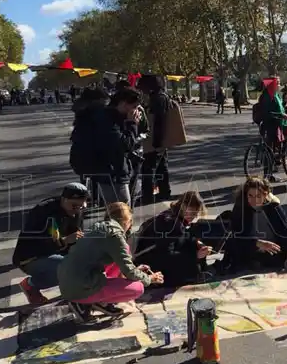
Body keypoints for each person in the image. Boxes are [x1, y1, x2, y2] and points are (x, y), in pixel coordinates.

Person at [58, 202, 164, 322]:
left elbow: (121, 264)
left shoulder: (97, 228)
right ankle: (86, 302)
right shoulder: (115, 235)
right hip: (79, 287)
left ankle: (96, 301)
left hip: (69, 281)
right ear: (126, 221)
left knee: (123, 254)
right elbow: (129, 271)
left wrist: (136, 270)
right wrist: (149, 278)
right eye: (130, 222)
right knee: (138, 288)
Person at [12, 183, 88, 305]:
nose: (78, 209)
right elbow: (38, 243)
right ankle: (31, 285)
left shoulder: (76, 211)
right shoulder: (45, 212)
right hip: (31, 257)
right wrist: (65, 241)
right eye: (74, 205)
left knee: (83, 262)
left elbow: (76, 235)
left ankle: (74, 291)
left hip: (56, 251)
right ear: (64, 199)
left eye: (82, 205)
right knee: (67, 267)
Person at [224, 177, 287, 272]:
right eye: (250, 196)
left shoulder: (273, 206)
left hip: (273, 244)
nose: (254, 200)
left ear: (265, 195)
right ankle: (261, 260)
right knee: (234, 246)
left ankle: (268, 260)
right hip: (253, 245)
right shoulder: (240, 207)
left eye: (258, 196)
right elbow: (237, 234)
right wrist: (258, 243)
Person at [135, 191, 213, 287]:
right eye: (193, 213)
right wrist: (195, 255)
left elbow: (181, 238)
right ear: (184, 207)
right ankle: (190, 276)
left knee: (193, 245)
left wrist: (197, 242)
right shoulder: (172, 223)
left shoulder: (173, 214)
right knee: (191, 257)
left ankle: (197, 272)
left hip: (149, 257)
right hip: (149, 263)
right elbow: (166, 255)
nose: (195, 216)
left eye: (196, 213)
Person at [87, 88, 142, 206]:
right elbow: (125, 145)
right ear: (123, 104)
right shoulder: (107, 120)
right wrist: (132, 124)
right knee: (121, 208)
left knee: (119, 207)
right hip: (112, 173)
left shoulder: (116, 117)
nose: (136, 111)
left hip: (115, 171)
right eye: (134, 107)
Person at [137, 75, 172, 203]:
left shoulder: (158, 98)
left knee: (149, 168)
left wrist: (157, 140)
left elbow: (158, 121)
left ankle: (148, 195)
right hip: (159, 138)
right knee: (161, 166)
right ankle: (164, 192)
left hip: (155, 138)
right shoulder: (160, 96)